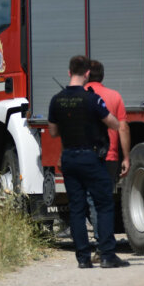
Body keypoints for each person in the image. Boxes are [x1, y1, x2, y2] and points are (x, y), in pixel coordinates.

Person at [48, 55, 128, 269]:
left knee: (76, 207)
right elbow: (113, 124)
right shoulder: (92, 99)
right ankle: (107, 255)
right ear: (86, 75)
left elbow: (53, 132)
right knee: (103, 203)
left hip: (69, 159)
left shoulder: (56, 100)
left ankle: (83, 258)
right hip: (90, 158)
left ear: (68, 72)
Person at [85, 59, 131, 262]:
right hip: (110, 156)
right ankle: (105, 247)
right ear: (102, 76)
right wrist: (126, 157)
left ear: (86, 75)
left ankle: (101, 247)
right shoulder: (115, 96)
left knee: (92, 200)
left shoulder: (78, 95)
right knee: (104, 201)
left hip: (86, 156)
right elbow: (123, 127)